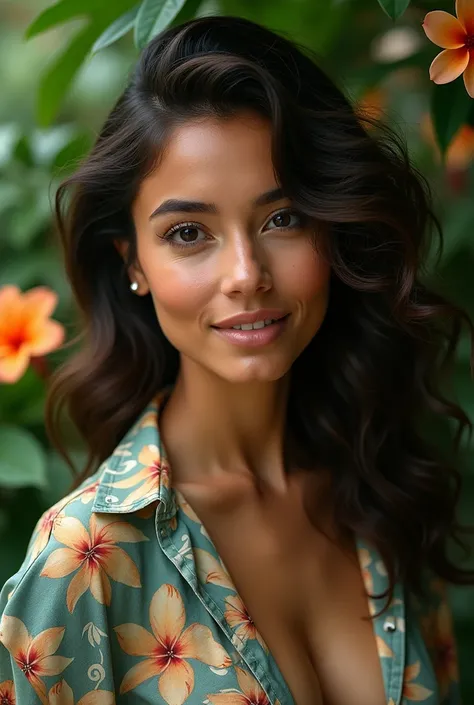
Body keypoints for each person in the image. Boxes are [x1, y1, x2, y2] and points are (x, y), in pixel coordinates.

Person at [0, 13, 472, 705]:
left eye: (283, 218)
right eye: (189, 232)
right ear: (133, 261)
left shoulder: (381, 491)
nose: (247, 273)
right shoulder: (84, 561)